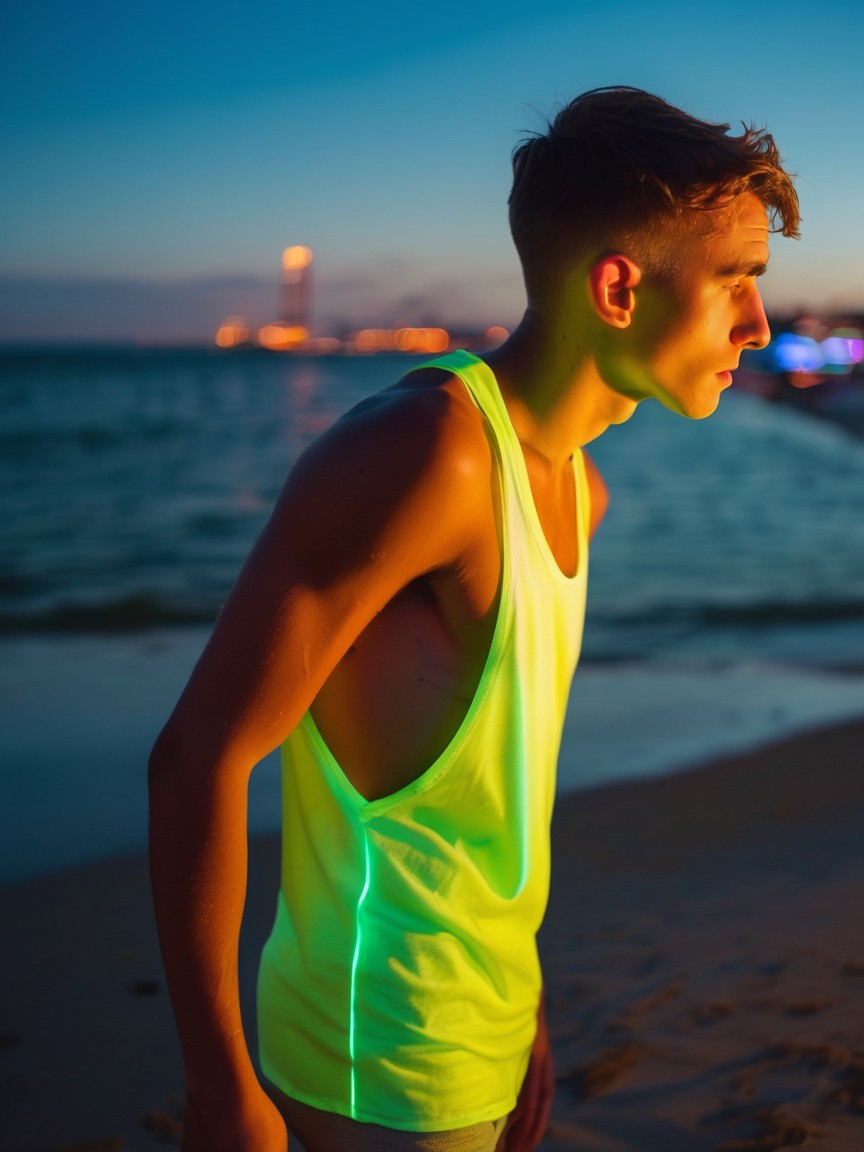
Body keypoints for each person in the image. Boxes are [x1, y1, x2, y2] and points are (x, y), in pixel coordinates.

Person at [149, 86, 799, 1152]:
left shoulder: (580, 490)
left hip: (487, 1029)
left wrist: (522, 1000)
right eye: (737, 281)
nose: (760, 325)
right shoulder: (426, 458)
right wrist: (220, 1089)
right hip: (380, 1056)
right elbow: (196, 759)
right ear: (620, 286)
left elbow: (489, 802)